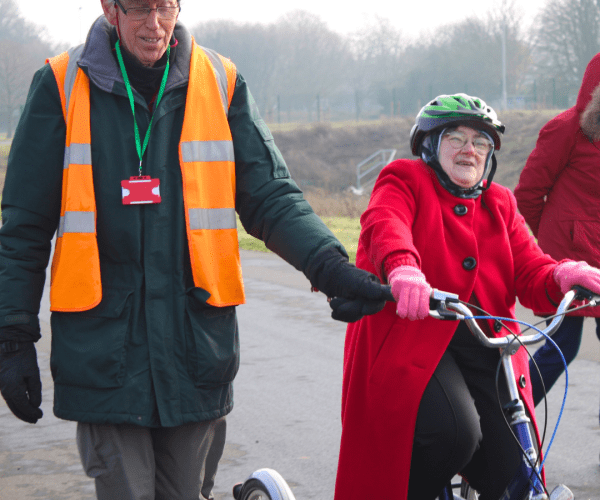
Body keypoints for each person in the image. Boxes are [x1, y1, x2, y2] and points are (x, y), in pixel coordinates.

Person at [0, 2, 386, 499]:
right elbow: (24, 226)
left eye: (165, 6)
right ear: (109, 9)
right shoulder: (59, 85)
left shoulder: (221, 82)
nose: (155, 24)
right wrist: (12, 335)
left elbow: (270, 195)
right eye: (140, 8)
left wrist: (329, 266)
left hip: (194, 349)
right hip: (103, 353)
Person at [333, 93, 600, 500]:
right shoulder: (404, 178)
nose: (469, 150)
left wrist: (564, 273)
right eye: (454, 138)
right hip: (415, 337)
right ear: (429, 145)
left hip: (485, 344)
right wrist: (403, 268)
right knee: (454, 433)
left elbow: (531, 269)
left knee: (512, 465)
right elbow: (386, 223)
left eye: (480, 142)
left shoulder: (500, 202)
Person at [514, 52, 600, 407]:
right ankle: (508, 421)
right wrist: (549, 243)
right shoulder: (567, 128)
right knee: (560, 348)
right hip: (569, 257)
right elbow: (528, 194)